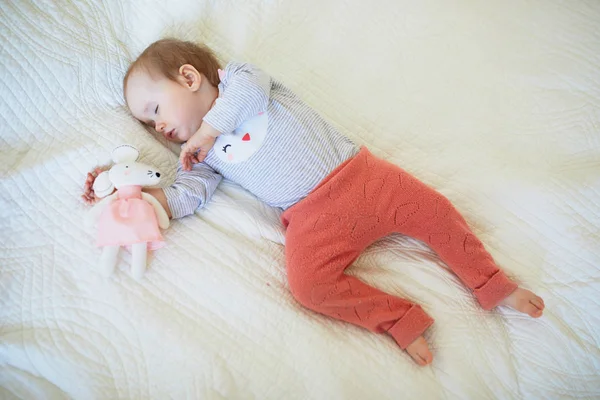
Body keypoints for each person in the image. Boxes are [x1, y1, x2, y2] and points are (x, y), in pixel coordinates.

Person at [83, 39, 545, 366]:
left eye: (155, 110)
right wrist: (140, 196)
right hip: (311, 219)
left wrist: (207, 130)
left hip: (362, 178)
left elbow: (245, 94)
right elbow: (190, 194)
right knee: (307, 287)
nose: (158, 129)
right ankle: (400, 319)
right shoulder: (201, 157)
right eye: (148, 126)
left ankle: (492, 284)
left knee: (434, 212)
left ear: (188, 77)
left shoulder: (241, 80)